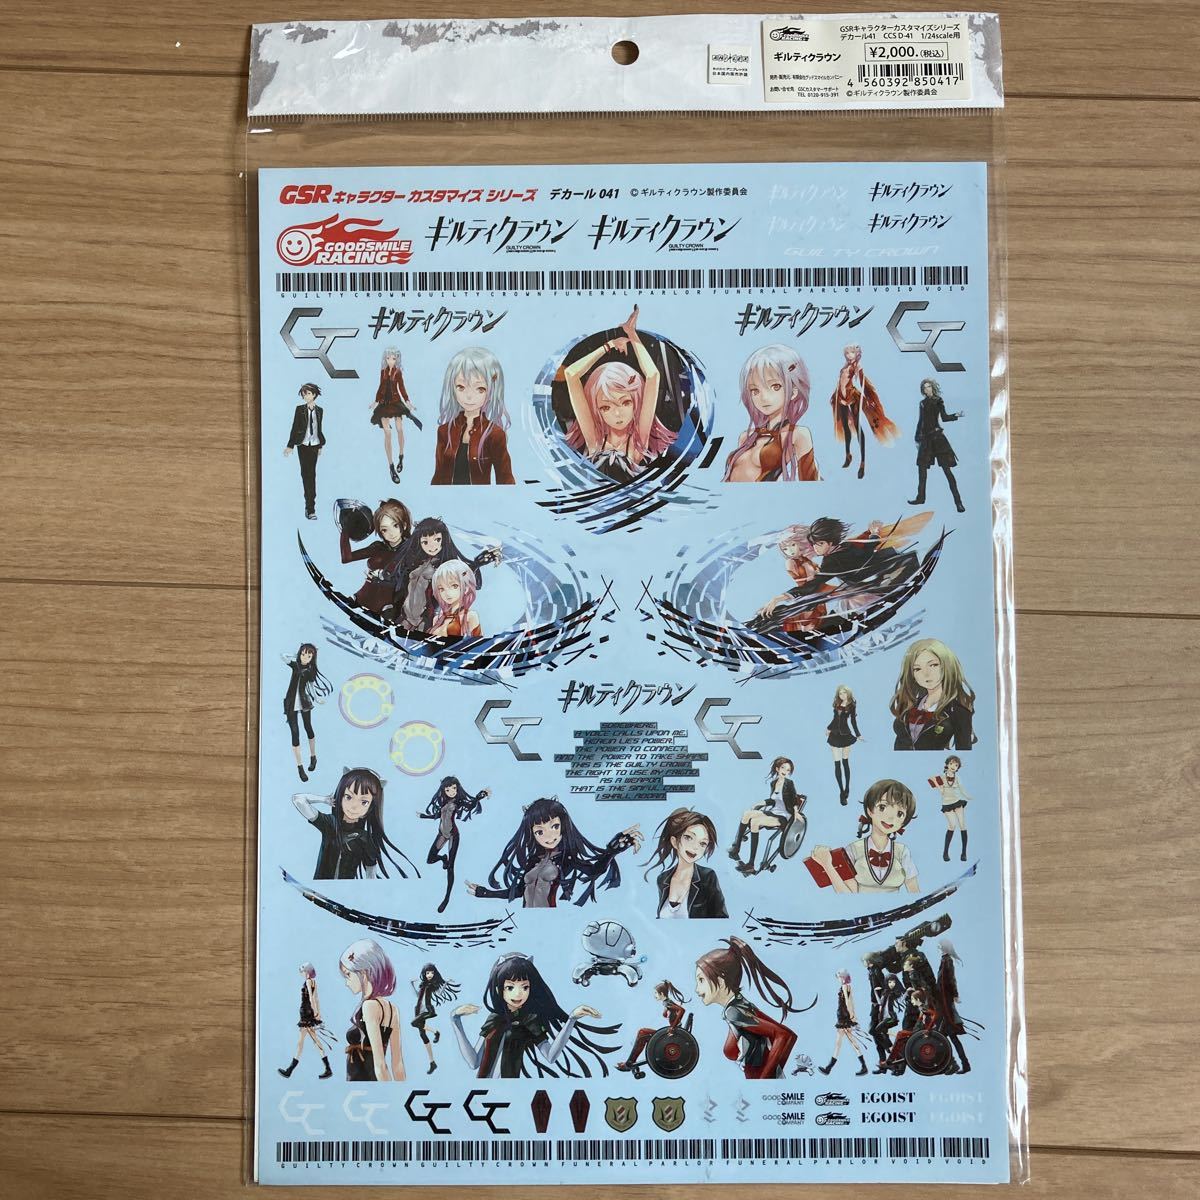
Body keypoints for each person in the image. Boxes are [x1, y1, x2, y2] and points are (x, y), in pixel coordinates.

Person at [451, 952, 618, 1078]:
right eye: (510, 987)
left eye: (525, 987)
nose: (518, 994)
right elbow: (474, 1062)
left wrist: (571, 1020)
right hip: (483, 1089)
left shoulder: (529, 1020)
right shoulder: (495, 1018)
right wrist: (455, 1020)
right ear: (498, 988)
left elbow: (550, 1056)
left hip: (509, 1090)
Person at [563, 305, 674, 484]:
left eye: (625, 402)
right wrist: (609, 345)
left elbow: (653, 376)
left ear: (636, 402)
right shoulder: (595, 440)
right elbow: (571, 374)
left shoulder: (638, 441)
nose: (617, 413)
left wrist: (632, 334)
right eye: (605, 407)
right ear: (597, 410)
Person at [466, 797, 641, 908]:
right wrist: (485, 893)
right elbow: (518, 892)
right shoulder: (533, 859)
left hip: (547, 919)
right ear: (533, 834)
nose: (549, 836)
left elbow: (594, 870)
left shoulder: (566, 858)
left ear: (563, 826)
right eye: (540, 831)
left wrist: (612, 851)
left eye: (554, 827)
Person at [694, 937, 812, 1078]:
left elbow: (784, 1035)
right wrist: (773, 1072)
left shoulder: (734, 1012)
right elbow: (786, 1035)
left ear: (720, 981)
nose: (697, 989)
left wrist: (765, 1078)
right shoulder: (741, 1005)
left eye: (701, 980)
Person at [292, 766, 416, 880]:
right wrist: (324, 799)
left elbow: (371, 876)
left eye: (364, 802)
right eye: (348, 797)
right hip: (321, 887)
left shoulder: (366, 839)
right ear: (340, 796)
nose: (354, 806)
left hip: (347, 891)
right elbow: (298, 800)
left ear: (370, 807)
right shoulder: (329, 823)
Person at [724, 345, 819, 482]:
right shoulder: (745, 437)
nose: (764, 397)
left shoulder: (799, 435)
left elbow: (811, 484)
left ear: (793, 392)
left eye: (775, 387)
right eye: (755, 390)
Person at [810, 779, 920, 894]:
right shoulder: (853, 849)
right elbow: (848, 895)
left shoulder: (902, 852)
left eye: (900, 813)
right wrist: (827, 865)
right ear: (870, 810)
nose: (890, 818)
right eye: (882, 807)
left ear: (903, 822)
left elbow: (914, 891)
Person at [431, 347, 515, 484]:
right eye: (461, 387)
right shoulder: (444, 431)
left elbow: (506, 480)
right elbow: (438, 478)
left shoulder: (495, 434)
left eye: (480, 389)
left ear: (491, 390)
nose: (469, 396)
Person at [890, 637, 977, 751]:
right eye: (917, 669)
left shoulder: (959, 712)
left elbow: (964, 752)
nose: (926, 674)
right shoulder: (909, 707)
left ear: (947, 666)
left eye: (933, 665)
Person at [420, 775, 489, 913]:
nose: (451, 792)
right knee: (430, 859)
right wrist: (423, 816)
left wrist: (480, 796)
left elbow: (470, 805)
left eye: (454, 789)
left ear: (457, 789)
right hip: (442, 834)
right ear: (443, 790)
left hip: (453, 835)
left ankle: (446, 898)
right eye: (448, 789)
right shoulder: (444, 801)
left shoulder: (458, 801)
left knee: (450, 868)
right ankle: (443, 858)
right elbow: (438, 815)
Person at [642, 808, 727, 919]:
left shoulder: (707, 877)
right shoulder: (662, 879)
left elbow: (722, 919)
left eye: (702, 843)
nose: (695, 847)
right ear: (674, 841)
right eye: (689, 837)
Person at [340, 939, 404, 1081]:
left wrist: (386, 1090)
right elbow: (397, 1064)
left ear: (364, 972)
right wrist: (400, 1088)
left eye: (348, 975)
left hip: (364, 1081)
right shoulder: (393, 1009)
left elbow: (380, 1064)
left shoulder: (369, 1006)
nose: (346, 983)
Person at [830, 344, 898, 479]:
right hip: (841, 398)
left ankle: (862, 462)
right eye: (847, 353)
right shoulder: (844, 366)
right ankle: (848, 454)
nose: (849, 355)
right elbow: (841, 382)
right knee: (845, 427)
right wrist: (835, 395)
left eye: (852, 352)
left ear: (857, 354)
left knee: (857, 427)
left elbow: (862, 382)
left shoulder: (857, 366)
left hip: (852, 397)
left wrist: (867, 396)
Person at [728, 756, 804, 876]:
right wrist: (761, 803)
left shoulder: (789, 783)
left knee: (755, 822)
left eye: (788, 770)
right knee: (747, 814)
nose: (785, 771)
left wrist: (796, 813)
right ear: (777, 769)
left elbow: (794, 800)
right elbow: (773, 800)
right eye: (783, 768)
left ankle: (751, 864)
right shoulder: (773, 783)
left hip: (784, 816)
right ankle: (736, 848)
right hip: (774, 811)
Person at [338, 498, 413, 617]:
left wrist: (383, 574)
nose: (391, 533)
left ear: (403, 525)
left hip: (388, 605)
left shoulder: (409, 551)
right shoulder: (378, 547)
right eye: (384, 529)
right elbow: (346, 558)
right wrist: (345, 530)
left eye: (395, 525)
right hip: (363, 597)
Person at [909, 378, 965, 512]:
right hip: (926, 439)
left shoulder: (938, 400)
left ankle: (958, 502)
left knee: (947, 471)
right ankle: (920, 498)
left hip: (938, 438)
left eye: (928, 387)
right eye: (924, 388)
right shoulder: (922, 403)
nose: (927, 389)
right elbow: (921, 421)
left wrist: (956, 415)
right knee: (921, 469)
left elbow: (944, 417)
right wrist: (916, 437)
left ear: (932, 387)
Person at [281, 643, 331, 782]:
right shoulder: (295, 665)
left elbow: (311, 686)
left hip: (304, 701)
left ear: (312, 658)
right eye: (303, 654)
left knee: (308, 727)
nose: (305, 657)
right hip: (291, 703)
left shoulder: (310, 671)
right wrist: (295, 655)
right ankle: (300, 767)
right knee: (295, 733)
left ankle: (313, 756)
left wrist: (316, 698)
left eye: (309, 656)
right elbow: (283, 656)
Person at [371, 346, 420, 483]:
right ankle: (391, 466)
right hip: (384, 404)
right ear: (385, 359)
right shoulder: (383, 371)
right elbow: (380, 387)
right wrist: (376, 401)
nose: (390, 361)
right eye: (388, 358)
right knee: (387, 433)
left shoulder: (398, 372)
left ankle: (401, 456)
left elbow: (401, 387)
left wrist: (408, 401)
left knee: (399, 429)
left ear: (397, 359)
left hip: (396, 402)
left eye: (393, 358)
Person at [278, 962, 334, 1080]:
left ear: (307, 972)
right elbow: (316, 998)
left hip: (306, 1013)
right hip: (308, 1012)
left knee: (305, 1042)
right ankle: (327, 1068)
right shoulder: (314, 982)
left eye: (303, 972)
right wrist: (318, 1012)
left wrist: (315, 1012)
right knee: (311, 1041)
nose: (302, 974)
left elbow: (312, 998)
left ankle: (290, 1070)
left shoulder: (308, 982)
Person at [617, 981, 687, 1073]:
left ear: (662, 994)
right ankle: (630, 1062)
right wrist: (667, 1012)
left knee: (642, 1032)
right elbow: (672, 1012)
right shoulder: (666, 1003)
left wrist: (673, 1027)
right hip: (672, 1033)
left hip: (673, 1034)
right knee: (642, 1033)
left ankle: (629, 1063)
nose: (655, 995)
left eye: (656, 993)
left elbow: (682, 1010)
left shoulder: (668, 1003)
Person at [284, 383, 325, 520]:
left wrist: (320, 446)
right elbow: (295, 427)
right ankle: (309, 508)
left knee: (311, 476)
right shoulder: (299, 409)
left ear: (314, 394)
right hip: (303, 445)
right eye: (303, 394)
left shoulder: (320, 410)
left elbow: (319, 429)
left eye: (308, 393)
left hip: (315, 445)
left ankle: (311, 508)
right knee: (306, 475)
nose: (305, 396)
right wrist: (290, 445)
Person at [411, 963, 461, 1075]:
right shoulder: (423, 985)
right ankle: (432, 1062)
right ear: (424, 974)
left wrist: (446, 983)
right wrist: (413, 985)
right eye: (427, 973)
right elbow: (418, 996)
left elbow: (440, 992)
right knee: (423, 1035)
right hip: (418, 1010)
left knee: (413, 1023)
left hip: (428, 1011)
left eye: (432, 973)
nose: (429, 975)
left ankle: (435, 1032)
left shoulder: (432, 985)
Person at [817, 970, 869, 1077]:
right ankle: (830, 1068)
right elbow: (851, 1002)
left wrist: (852, 1018)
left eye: (839, 977)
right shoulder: (848, 987)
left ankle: (830, 1068)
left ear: (843, 977)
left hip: (844, 1018)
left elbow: (848, 1002)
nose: (839, 979)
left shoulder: (845, 987)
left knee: (847, 1043)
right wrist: (853, 1017)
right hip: (843, 1017)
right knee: (844, 1043)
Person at [428, 559, 483, 639]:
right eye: (441, 589)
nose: (447, 593)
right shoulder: (437, 619)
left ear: (466, 587)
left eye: (454, 586)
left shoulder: (470, 616)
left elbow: (479, 643)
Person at [827, 685, 863, 804]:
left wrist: (858, 734)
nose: (842, 695)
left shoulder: (851, 705)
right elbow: (834, 719)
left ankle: (847, 787)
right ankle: (841, 791)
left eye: (844, 693)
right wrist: (828, 728)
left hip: (845, 735)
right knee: (837, 764)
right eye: (840, 693)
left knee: (845, 762)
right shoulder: (837, 704)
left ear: (848, 693)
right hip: (834, 735)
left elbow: (853, 721)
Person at [936, 755, 971, 861]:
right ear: (947, 764)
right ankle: (945, 852)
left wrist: (968, 796)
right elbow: (942, 792)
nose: (953, 766)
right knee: (952, 825)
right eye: (951, 763)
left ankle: (964, 853)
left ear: (958, 768)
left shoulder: (958, 778)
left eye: (956, 765)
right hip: (947, 804)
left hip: (957, 802)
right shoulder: (941, 777)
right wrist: (938, 786)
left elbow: (962, 789)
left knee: (962, 825)